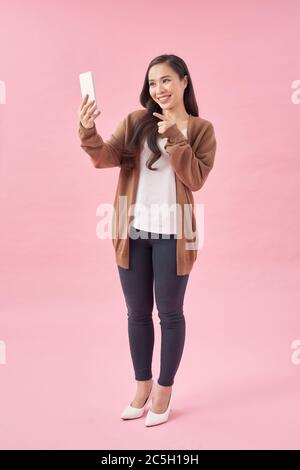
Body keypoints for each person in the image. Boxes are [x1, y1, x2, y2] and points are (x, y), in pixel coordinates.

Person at [77, 54, 217, 426]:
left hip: (175, 234)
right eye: (153, 83)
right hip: (133, 231)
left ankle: (164, 390)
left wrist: (173, 134)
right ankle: (142, 385)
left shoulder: (201, 129)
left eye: (167, 81)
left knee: (169, 314)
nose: (159, 90)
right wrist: (88, 130)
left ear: (184, 81)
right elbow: (105, 157)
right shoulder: (136, 122)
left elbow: (196, 178)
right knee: (137, 313)